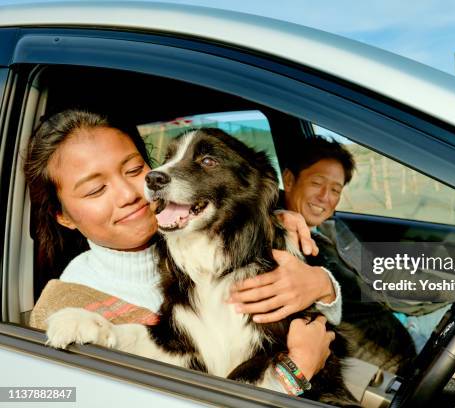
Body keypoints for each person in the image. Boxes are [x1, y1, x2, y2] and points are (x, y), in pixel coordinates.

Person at [24, 109, 338, 395]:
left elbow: (363, 304)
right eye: (96, 190)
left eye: (135, 170)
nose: (129, 195)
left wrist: (324, 288)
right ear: (62, 215)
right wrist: (292, 372)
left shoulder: (227, 234)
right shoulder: (68, 302)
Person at [229, 135, 448, 374]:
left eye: (335, 189)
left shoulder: (331, 227)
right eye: (317, 183)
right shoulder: (274, 237)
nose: (325, 197)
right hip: (384, 366)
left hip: (403, 326)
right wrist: (274, 220)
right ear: (290, 180)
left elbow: (380, 274)